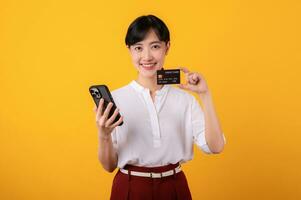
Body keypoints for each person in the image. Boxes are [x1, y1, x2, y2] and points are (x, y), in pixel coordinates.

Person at [93, 14, 226, 200]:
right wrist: (103, 134)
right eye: (138, 48)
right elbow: (108, 166)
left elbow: (216, 146)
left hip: (174, 187)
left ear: (167, 47)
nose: (146, 57)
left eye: (155, 46)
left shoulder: (185, 100)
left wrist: (205, 95)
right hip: (130, 187)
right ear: (130, 51)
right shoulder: (115, 99)